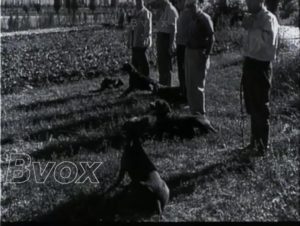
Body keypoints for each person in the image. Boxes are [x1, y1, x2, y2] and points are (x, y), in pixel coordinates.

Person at [240, 0, 279, 156]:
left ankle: (263, 146)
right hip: (250, 63)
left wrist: (251, 27)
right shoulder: (252, 18)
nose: (248, 4)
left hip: (261, 65)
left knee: (261, 105)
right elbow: (246, 43)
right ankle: (254, 141)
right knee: (251, 103)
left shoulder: (268, 18)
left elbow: (266, 43)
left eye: (251, 1)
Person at [184, 0, 215, 118]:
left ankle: (201, 113)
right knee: (190, 83)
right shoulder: (191, 19)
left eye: (192, 6)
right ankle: (193, 111)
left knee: (198, 84)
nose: (190, 9)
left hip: (199, 53)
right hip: (190, 53)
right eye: (188, 6)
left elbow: (212, 38)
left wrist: (206, 55)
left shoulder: (205, 18)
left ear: (198, 5)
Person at [155, 0, 179, 86]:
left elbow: (172, 29)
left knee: (166, 64)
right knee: (161, 63)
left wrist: (171, 44)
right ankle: (162, 84)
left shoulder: (171, 10)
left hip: (166, 39)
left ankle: (166, 85)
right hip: (161, 38)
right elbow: (161, 25)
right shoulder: (164, 10)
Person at [127, 0, 152, 77]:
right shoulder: (134, 13)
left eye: (140, 1)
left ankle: (146, 79)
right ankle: (134, 81)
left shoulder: (146, 13)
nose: (138, 3)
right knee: (134, 61)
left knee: (143, 61)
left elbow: (148, 28)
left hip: (142, 41)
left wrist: (145, 38)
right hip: (135, 40)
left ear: (143, 2)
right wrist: (129, 40)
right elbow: (132, 27)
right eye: (137, 1)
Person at [176, 0, 191, 100]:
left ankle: (186, 94)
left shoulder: (188, 14)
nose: (177, 4)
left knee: (185, 70)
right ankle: (182, 91)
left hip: (185, 45)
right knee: (181, 71)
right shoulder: (181, 13)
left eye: (178, 2)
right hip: (180, 44)